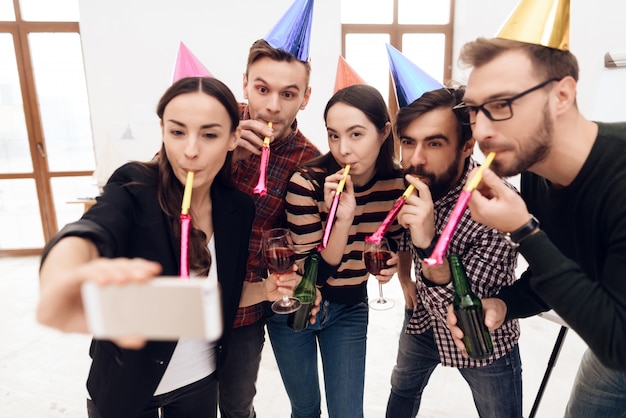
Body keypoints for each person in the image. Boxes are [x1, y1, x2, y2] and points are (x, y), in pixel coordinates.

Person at [36, 77, 263, 417]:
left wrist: (269, 290)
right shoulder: (135, 186)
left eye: (210, 134)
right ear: (162, 131)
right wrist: (64, 272)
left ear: (233, 138)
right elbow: (94, 227)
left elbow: (218, 297)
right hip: (125, 385)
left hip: (199, 384)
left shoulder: (238, 209)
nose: (190, 150)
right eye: (177, 132)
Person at [447, 36, 626, 417]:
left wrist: (524, 231)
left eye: (500, 105)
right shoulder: (534, 173)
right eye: (474, 111)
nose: (480, 131)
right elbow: (563, 270)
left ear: (562, 95)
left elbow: (619, 341)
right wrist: (504, 304)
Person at [266, 84, 404, 418]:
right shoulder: (308, 182)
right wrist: (341, 220)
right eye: (333, 135)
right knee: (306, 408)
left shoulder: (398, 184)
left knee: (348, 413)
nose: (344, 149)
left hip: (349, 309)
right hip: (295, 308)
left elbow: (393, 241)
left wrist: (395, 262)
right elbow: (312, 274)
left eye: (356, 134)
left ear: (384, 131)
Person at [384, 87, 522, 417]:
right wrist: (404, 275)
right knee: (402, 391)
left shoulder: (498, 204)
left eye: (434, 143)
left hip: (481, 335)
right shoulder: (415, 181)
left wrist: (429, 244)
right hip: (421, 320)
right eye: (408, 141)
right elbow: (403, 234)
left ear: (466, 146)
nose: (416, 158)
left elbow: (466, 301)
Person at [220, 38, 321, 418]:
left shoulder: (309, 161)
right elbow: (157, 191)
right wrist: (225, 159)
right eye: (262, 89)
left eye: (288, 93)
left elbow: (306, 244)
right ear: (244, 83)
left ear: (305, 97)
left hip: (244, 312)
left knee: (237, 407)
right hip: (183, 296)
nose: (273, 106)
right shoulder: (212, 127)